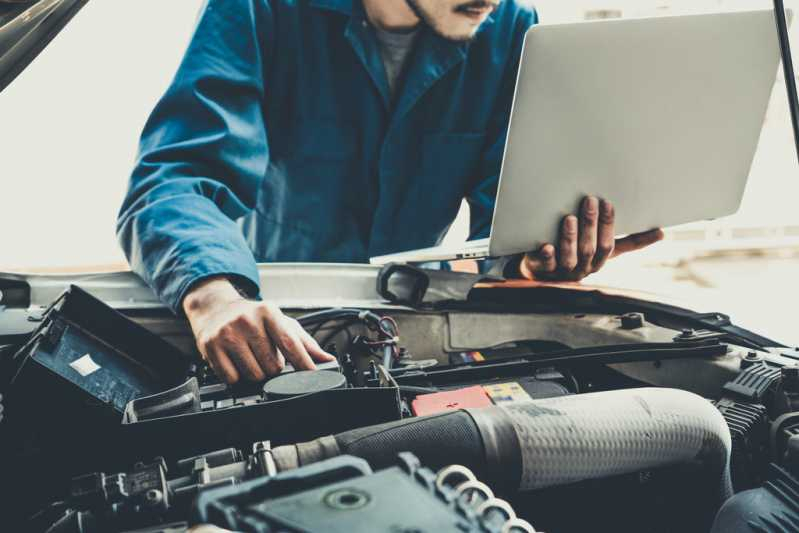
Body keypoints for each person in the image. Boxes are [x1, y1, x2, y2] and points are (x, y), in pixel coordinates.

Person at [117, 0, 663, 384]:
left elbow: (502, 232)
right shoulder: (258, 8)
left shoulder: (512, 26)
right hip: (278, 317)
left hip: (410, 320)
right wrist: (215, 296)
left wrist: (535, 265)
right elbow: (175, 178)